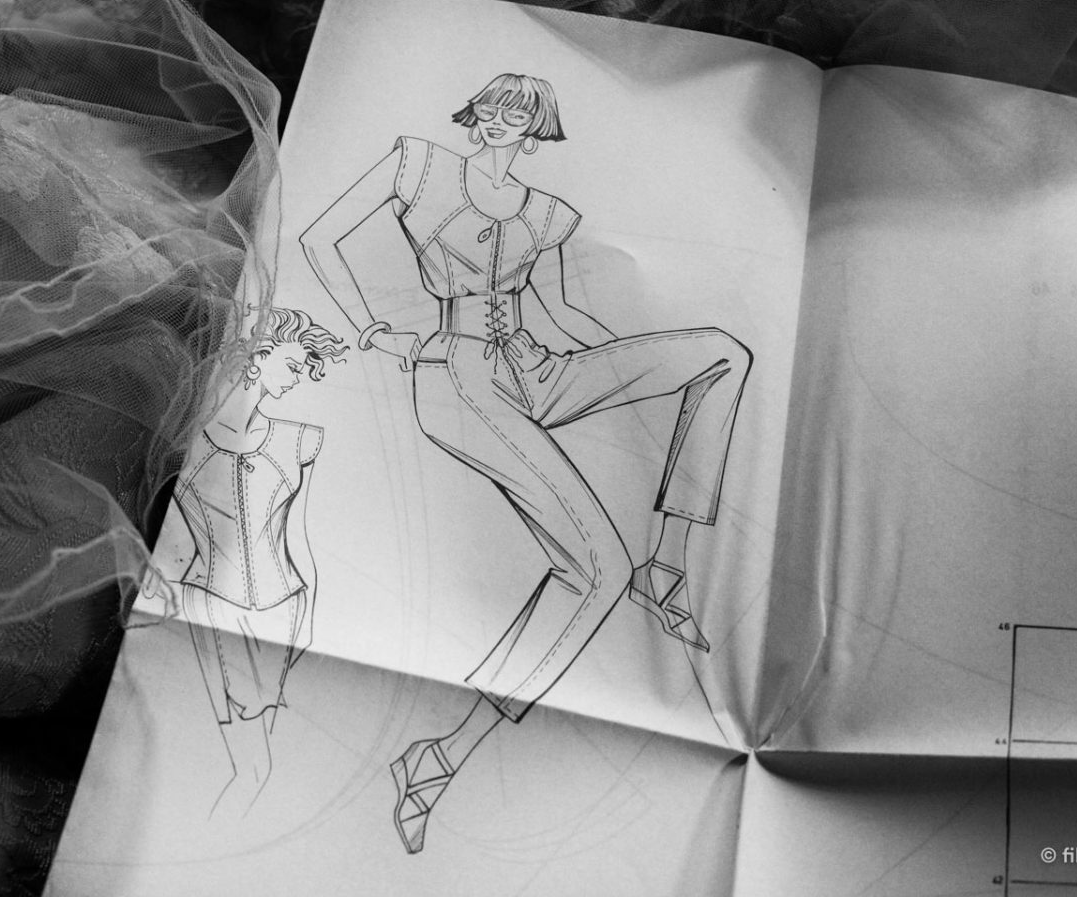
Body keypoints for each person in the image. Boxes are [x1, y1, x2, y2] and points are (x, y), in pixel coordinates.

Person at [299, 74, 751, 852]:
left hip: (540, 370)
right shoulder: (419, 166)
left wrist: (630, 366)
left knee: (720, 354)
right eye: (492, 106)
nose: (501, 120)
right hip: (461, 380)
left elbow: (563, 313)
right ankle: (440, 757)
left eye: (520, 112)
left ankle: (667, 566)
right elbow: (317, 240)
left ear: (539, 127)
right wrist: (374, 331)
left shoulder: (547, 213)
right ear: (474, 112)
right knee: (595, 570)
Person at [143, 307, 347, 812]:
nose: (300, 377)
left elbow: (300, 539)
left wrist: (310, 624)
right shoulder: (186, 442)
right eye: (295, 365)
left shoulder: (300, 439)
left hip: (284, 607)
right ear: (258, 355)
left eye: (305, 369)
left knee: (265, 760)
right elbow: (173, 542)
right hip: (209, 608)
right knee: (250, 765)